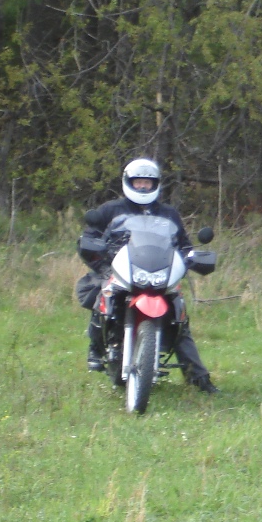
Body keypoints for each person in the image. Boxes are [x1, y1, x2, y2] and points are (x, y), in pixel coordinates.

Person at [77, 158, 219, 394]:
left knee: (179, 316)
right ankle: (96, 349)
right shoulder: (110, 209)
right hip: (119, 268)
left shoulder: (168, 213)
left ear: (156, 185)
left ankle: (199, 378)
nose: (143, 187)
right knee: (104, 293)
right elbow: (89, 238)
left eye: (147, 183)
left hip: (158, 271)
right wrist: (102, 265)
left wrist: (191, 257)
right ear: (128, 182)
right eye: (138, 182)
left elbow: (183, 244)